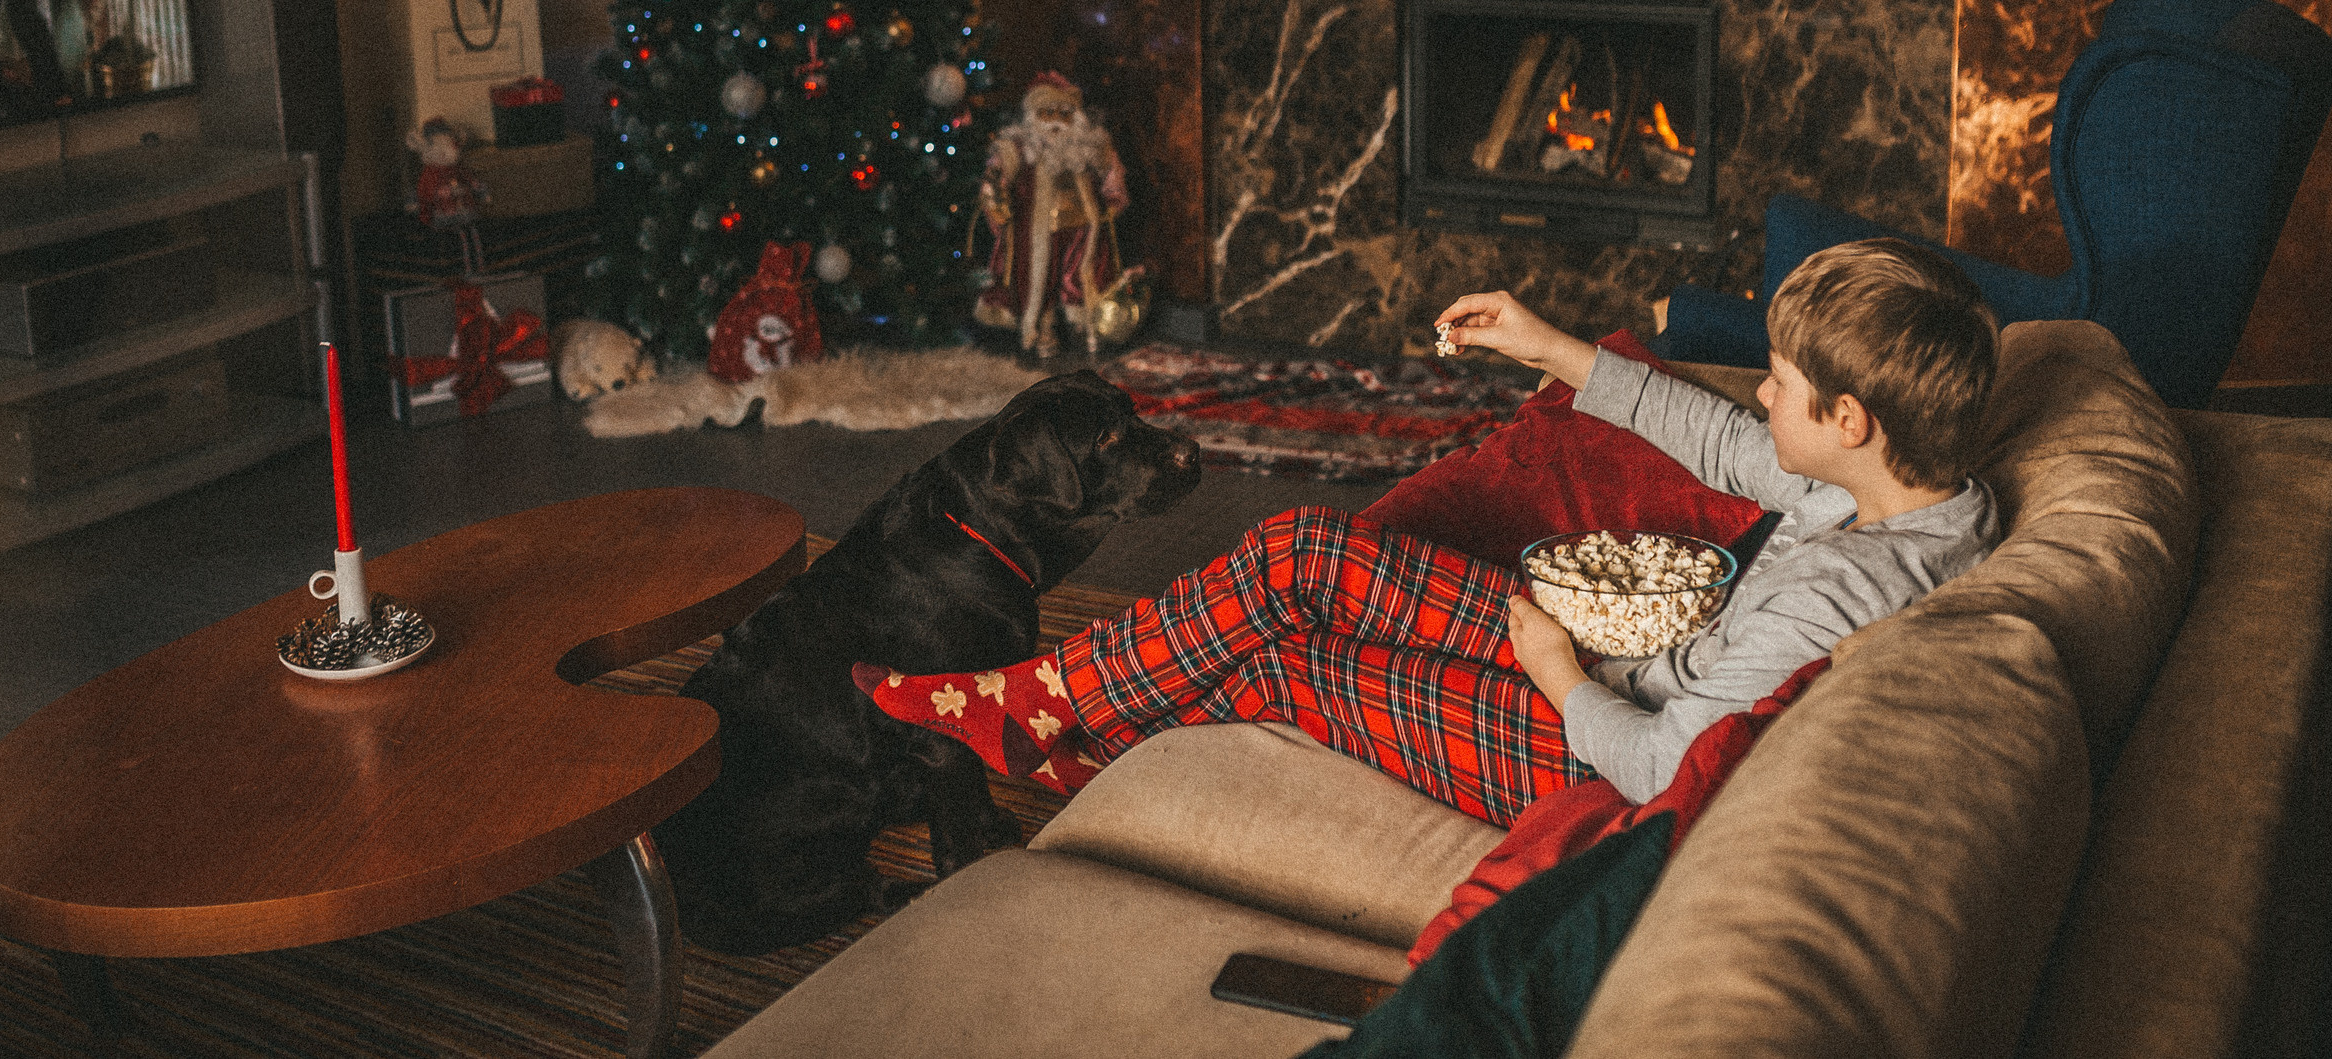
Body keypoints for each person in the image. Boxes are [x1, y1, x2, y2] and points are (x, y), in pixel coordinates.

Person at [855, 239, 2001, 826]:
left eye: (1782, 387)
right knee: (1303, 550)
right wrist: (1545, 343)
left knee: (1289, 666)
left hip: (1596, 752)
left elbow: (1663, 770)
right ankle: (1049, 706)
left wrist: (1557, 668)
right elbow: (1710, 440)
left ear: (1849, 420)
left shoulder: (1836, 597)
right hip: (1621, 677)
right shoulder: (1907, 487)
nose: (1758, 398)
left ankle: (1059, 725)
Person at [973, 70, 1130, 357]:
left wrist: (1113, 197)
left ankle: (1083, 322)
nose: (1056, 120)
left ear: (1077, 117)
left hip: (1083, 224)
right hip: (1035, 226)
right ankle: (1042, 326)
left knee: (1082, 273)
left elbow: (1112, 174)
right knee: (1038, 276)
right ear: (1033, 115)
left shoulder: (1090, 146)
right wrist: (996, 195)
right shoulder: (1018, 148)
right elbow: (996, 178)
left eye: (1064, 113)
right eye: (1047, 112)